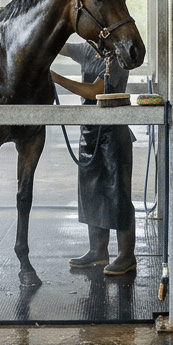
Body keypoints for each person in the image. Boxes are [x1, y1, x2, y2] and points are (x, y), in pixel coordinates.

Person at [51, 40, 137, 276]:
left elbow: (96, 91)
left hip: (113, 131)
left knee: (118, 194)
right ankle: (98, 251)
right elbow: (62, 47)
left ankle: (126, 256)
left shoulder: (118, 56)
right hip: (89, 132)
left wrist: (57, 79)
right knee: (92, 192)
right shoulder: (87, 49)